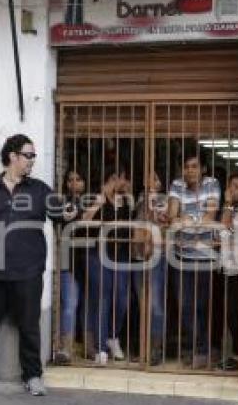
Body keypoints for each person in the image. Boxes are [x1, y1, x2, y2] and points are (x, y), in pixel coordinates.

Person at [0, 134, 64, 396]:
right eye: (28, 155)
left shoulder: (40, 190)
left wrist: (77, 210)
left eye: (33, 156)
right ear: (13, 157)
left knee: (29, 326)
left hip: (28, 272)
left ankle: (32, 375)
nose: (32, 160)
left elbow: (62, 214)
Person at [167, 150, 221, 368]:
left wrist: (188, 221)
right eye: (187, 166)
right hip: (182, 256)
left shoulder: (212, 184)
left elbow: (210, 217)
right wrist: (187, 221)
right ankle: (197, 349)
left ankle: (204, 350)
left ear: (203, 169)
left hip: (206, 256)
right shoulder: (177, 185)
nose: (190, 171)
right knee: (185, 305)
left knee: (204, 306)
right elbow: (172, 216)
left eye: (194, 166)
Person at [81, 166, 135, 366]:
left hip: (121, 254)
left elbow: (133, 222)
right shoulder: (96, 198)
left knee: (122, 298)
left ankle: (113, 337)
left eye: (120, 177)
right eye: (113, 177)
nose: (118, 182)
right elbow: (84, 221)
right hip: (98, 254)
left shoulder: (126, 200)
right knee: (102, 300)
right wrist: (99, 200)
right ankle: (101, 348)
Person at [131, 171, 170, 365]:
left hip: (155, 256)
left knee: (155, 305)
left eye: (154, 177)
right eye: (147, 177)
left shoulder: (163, 199)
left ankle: (156, 349)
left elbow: (162, 222)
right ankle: (143, 350)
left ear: (160, 182)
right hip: (138, 257)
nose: (150, 181)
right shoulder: (137, 198)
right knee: (143, 305)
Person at [217, 172, 238, 370]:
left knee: (235, 313)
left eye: (237, 186)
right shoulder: (231, 209)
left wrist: (229, 206)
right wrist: (228, 205)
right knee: (230, 313)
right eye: (231, 186)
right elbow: (223, 229)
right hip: (229, 267)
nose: (233, 190)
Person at [55, 168, 85, 365]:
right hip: (69, 259)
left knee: (88, 305)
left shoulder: (91, 201)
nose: (74, 183)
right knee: (70, 304)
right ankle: (66, 348)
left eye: (78, 179)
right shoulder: (65, 203)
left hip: (91, 258)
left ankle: (87, 347)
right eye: (70, 180)